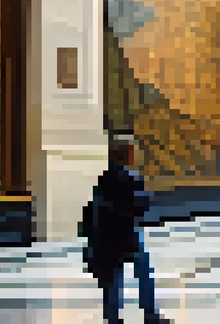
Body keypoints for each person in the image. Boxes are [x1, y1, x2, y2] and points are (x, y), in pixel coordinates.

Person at [81, 134, 170, 324]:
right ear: (128, 153)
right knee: (143, 271)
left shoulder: (104, 177)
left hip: (106, 235)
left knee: (113, 279)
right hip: (126, 233)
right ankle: (150, 313)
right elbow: (137, 206)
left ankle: (113, 318)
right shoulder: (130, 177)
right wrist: (147, 197)